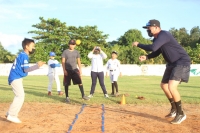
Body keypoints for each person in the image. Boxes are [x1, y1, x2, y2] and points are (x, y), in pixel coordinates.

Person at [132, 19, 191, 124]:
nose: (147, 30)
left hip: (181, 61)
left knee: (172, 87)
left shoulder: (164, 34)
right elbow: (156, 51)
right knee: (164, 85)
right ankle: (174, 109)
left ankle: (181, 113)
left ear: (156, 27)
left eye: (149, 28)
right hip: (172, 63)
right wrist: (147, 57)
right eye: (147, 28)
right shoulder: (157, 39)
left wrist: (138, 44)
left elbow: (153, 48)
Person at [6, 38, 45, 123]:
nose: (33, 48)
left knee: (19, 95)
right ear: (26, 46)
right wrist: (37, 65)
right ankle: (11, 115)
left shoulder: (22, 54)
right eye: (32, 46)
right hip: (15, 77)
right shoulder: (24, 56)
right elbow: (26, 70)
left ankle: (10, 113)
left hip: (16, 77)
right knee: (20, 96)